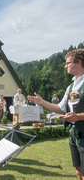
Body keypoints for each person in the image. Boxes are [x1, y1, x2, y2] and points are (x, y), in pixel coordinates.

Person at [28, 49, 84, 180]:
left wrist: (78, 117)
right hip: (74, 133)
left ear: (79, 62)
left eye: (68, 63)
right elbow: (60, 108)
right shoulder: (71, 87)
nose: (65, 66)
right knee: (79, 172)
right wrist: (41, 102)